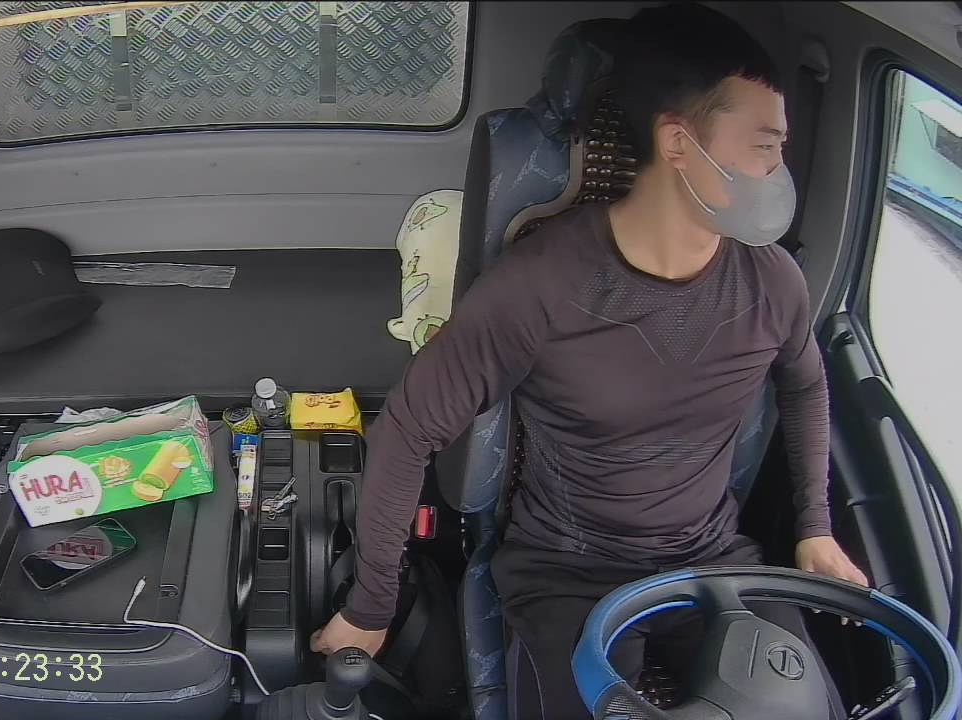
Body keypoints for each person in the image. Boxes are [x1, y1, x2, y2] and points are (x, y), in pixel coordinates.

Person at [311, 4, 867, 719]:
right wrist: (371, 606)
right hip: (567, 574)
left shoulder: (774, 282)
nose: (776, 169)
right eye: (764, 145)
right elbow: (409, 427)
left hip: (715, 562)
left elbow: (806, 384)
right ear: (678, 142)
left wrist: (815, 527)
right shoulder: (541, 284)